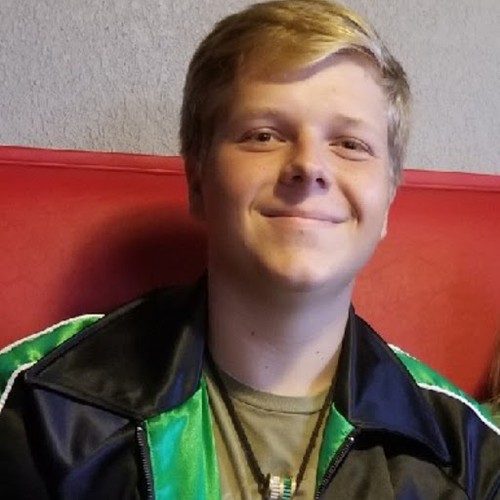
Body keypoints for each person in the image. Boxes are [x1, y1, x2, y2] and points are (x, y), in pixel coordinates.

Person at [1, 0, 499, 498]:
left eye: (350, 144)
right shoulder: (39, 406)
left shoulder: (472, 458)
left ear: (388, 199)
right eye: (264, 135)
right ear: (198, 180)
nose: (309, 166)